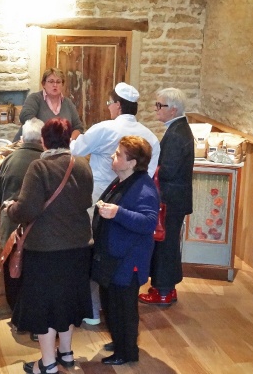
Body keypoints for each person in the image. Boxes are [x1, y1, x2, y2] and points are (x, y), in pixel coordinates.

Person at [5, 118, 93, 374]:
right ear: (67, 140)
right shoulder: (83, 165)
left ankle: (47, 363)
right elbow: (85, 200)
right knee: (67, 302)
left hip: (45, 249)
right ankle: (65, 354)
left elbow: (27, 210)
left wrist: (10, 208)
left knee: (44, 306)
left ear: (44, 140)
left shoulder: (39, 167)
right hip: (78, 246)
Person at [70, 82, 160, 325]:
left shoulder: (103, 129)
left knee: (94, 252)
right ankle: (115, 314)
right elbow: (148, 176)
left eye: (110, 103)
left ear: (118, 105)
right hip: (132, 200)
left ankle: (91, 310)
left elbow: (76, 150)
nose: (108, 108)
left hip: (98, 196)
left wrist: (73, 137)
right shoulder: (151, 137)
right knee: (120, 256)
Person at [92, 135, 159, 365]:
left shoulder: (144, 188)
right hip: (115, 257)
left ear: (132, 162)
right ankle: (120, 341)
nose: (114, 156)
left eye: (119, 154)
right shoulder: (122, 179)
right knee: (111, 303)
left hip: (129, 260)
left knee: (124, 308)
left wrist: (118, 213)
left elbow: (149, 221)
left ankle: (127, 351)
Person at [138, 88, 194, 306]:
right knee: (167, 243)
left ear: (173, 110)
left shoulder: (178, 134)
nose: (156, 109)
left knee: (165, 245)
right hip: (174, 198)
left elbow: (168, 170)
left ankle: (162, 290)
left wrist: (151, 168)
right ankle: (165, 288)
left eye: (159, 105)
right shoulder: (177, 129)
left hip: (171, 199)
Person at [0, 118, 44, 312]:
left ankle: (16, 313)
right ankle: (34, 316)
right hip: (39, 229)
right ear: (42, 139)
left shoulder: (9, 160)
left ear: (22, 138)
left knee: (13, 271)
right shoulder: (46, 160)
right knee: (35, 274)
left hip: (12, 227)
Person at [12, 68, 84, 142]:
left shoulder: (68, 103)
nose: (55, 85)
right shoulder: (35, 98)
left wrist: (70, 140)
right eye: (51, 81)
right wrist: (48, 133)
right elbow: (25, 116)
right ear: (43, 84)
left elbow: (78, 127)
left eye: (58, 82)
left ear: (62, 84)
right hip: (32, 146)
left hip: (59, 148)